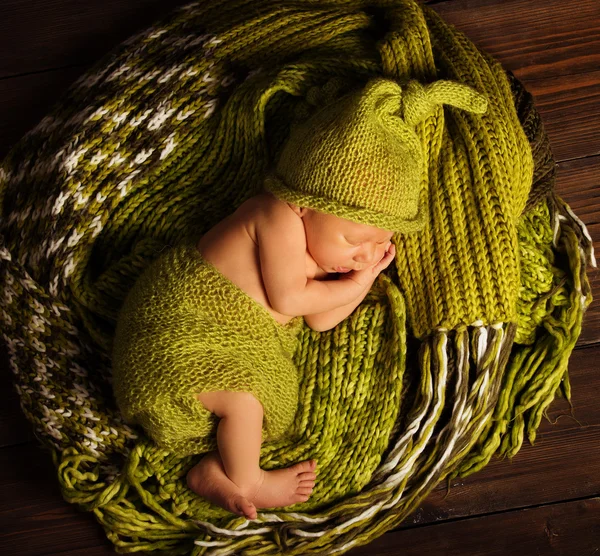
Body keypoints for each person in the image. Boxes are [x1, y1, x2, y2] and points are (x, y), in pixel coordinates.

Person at [111, 76, 487, 520]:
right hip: (177, 331)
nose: (364, 254)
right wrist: (349, 284)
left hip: (223, 344)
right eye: (354, 238)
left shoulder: (317, 253)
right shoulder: (274, 216)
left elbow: (320, 320)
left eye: (379, 242)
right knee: (243, 400)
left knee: (243, 401)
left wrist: (363, 279)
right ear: (303, 202)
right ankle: (248, 479)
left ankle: (212, 471)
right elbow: (290, 300)